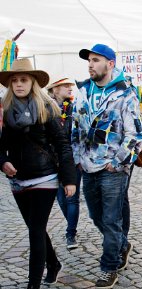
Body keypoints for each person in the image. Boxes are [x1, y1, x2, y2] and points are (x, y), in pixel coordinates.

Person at [0, 59, 76, 289]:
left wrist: (69, 179)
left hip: (45, 178)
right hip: (18, 180)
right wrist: (2, 162)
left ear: (32, 82)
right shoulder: (6, 110)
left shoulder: (47, 108)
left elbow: (63, 146)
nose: (19, 84)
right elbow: (1, 146)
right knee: (36, 228)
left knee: (34, 231)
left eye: (23, 80)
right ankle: (53, 263)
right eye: (15, 80)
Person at [72, 44, 142, 289]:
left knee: (112, 218)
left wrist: (119, 163)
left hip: (113, 168)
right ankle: (122, 244)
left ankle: (108, 267)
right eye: (89, 61)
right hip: (88, 165)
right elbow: (76, 128)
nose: (90, 64)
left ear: (110, 64)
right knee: (96, 215)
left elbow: (135, 135)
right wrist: (77, 159)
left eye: (95, 60)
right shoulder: (83, 91)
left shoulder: (125, 94)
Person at [47, 77, 82, 249]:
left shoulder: (73, 108)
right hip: (53, 161)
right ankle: (71, 225)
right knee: (61, 198)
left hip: (73, 159)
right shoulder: (46, 109)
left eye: (70, 86)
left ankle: (71, 234)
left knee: (72, 198)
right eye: (64, 86)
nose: (69, 88)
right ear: (54, 90)